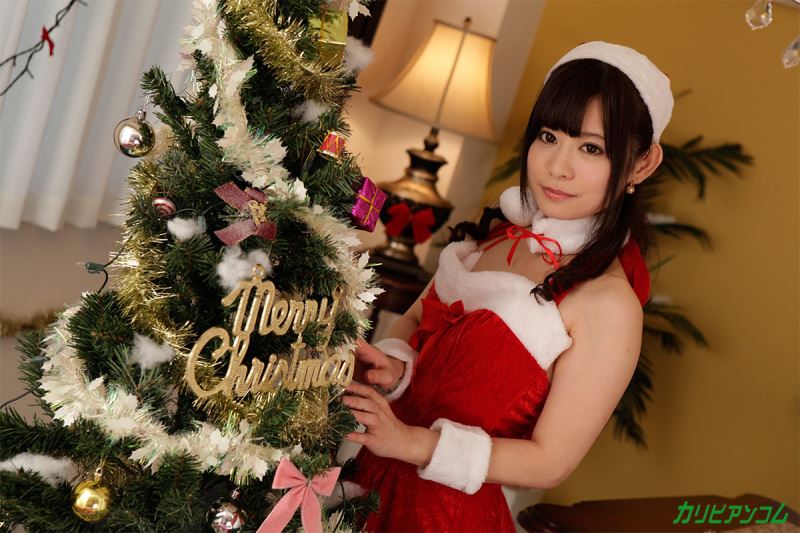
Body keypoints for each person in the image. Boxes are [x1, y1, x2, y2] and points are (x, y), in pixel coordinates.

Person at [340, 41, 673, 532]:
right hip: (363, 487)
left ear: (641, 164)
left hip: (445, 519)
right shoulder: (495, 236)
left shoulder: (608, 303)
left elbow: (549, 462)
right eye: (548, 136)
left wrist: (411, 443)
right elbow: (415, 320)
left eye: (591, 148)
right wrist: (395, 370)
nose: (557, 166)